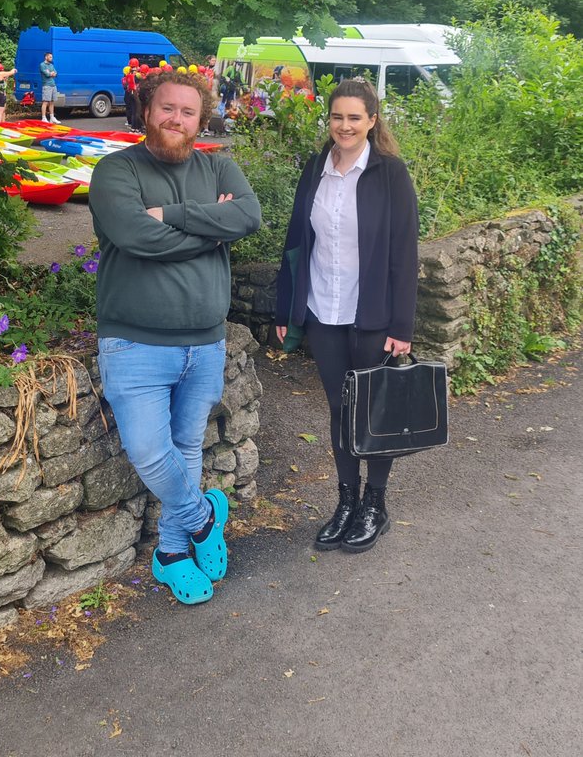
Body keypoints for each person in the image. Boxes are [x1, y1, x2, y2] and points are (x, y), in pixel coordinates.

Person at [89, 70, 261, 605]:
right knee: (147, 447)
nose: (176, 119)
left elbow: (249, 215)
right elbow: (134, 234)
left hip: (205, 342)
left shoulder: (219, 165)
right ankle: (203, 515)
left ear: (201, 119)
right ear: (145, 111)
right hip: (134, 344)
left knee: (187, 447)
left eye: (188, 112)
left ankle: (170, 552)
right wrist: (211, 232)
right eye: (167, 108)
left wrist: (178, 216)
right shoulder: (116, 171)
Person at [275, 77, 418, 554]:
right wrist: (286, 306)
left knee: (373, 410)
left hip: (372, 313)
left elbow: (405, 254)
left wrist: (402, 326)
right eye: (337, 116)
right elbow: (296, 241)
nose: (345, 125)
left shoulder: (389, 174)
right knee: (340, 411)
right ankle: (345, 501)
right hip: (323, 311)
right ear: (329, 120)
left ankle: (375, 505)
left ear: (372, 121)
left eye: (355, 117)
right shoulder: (316, 168)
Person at [39, 52, 59, 123]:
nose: (51, 58)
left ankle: (52, 117)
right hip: (46, 85)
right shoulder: (42, 65)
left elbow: (55, 73)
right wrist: (51, 73)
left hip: (53, 85)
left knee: (52, 102)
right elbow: (47, 74)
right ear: (46, 57)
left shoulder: (51, 65)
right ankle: (43, 118)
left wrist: (52, 73)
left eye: (51, 57)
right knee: (45, 102)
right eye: (50, 57)